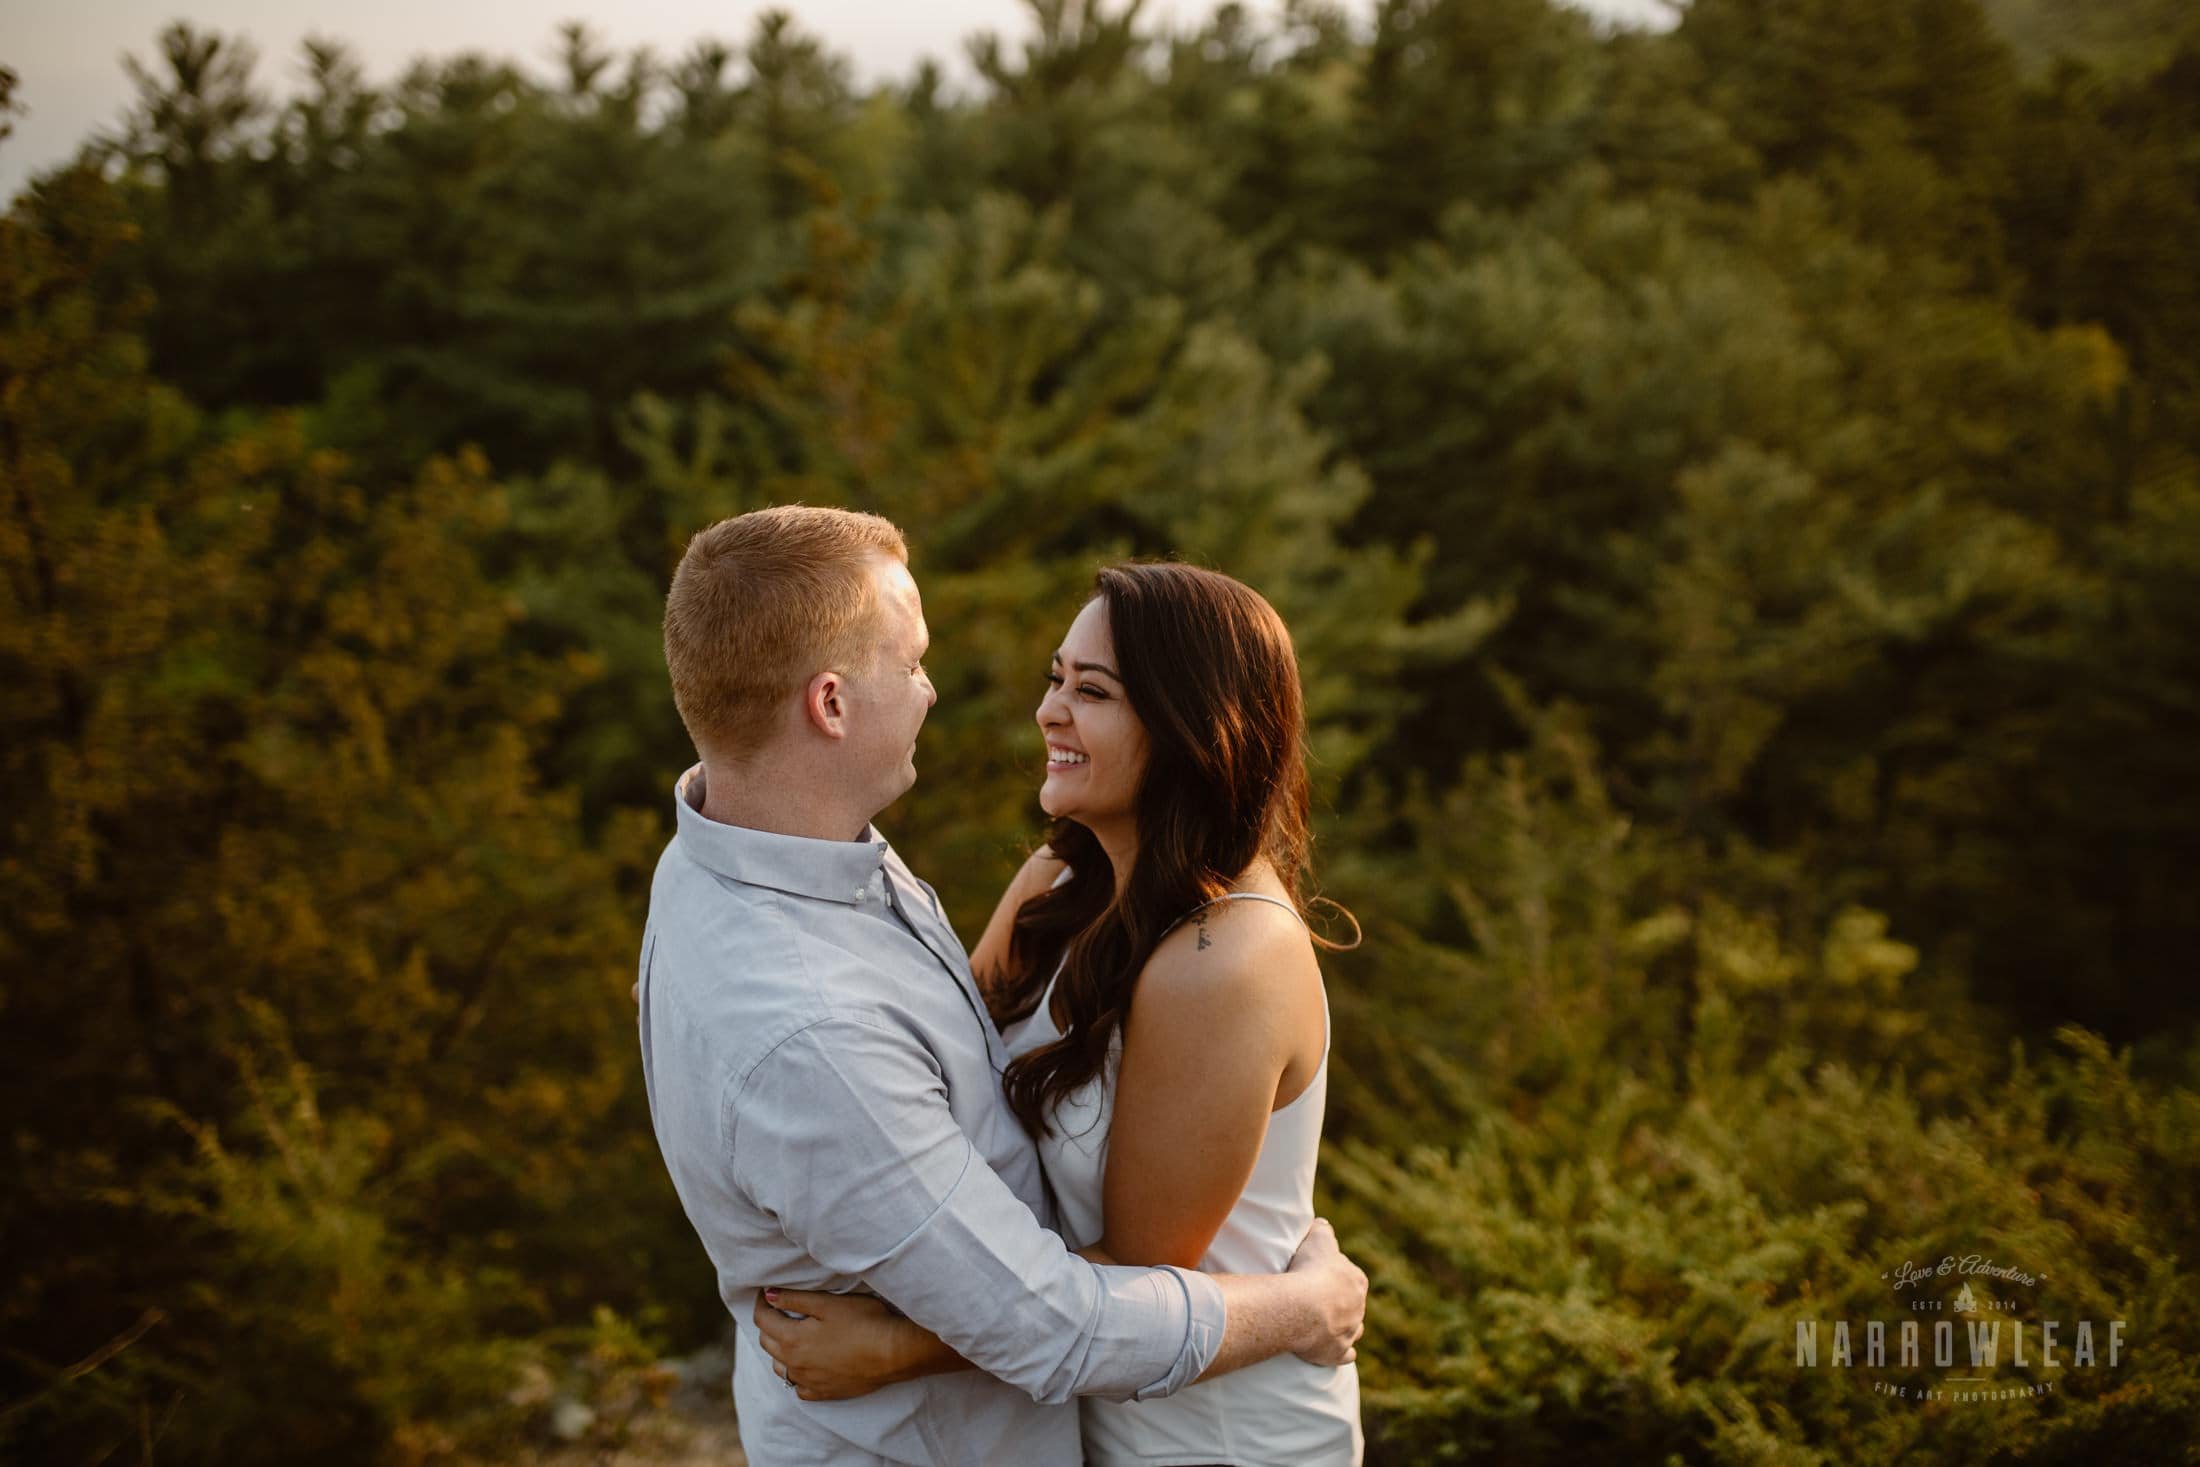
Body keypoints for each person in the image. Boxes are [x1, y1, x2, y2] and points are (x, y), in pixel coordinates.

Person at [639, 508, 1368, 1466]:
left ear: (1190, 728)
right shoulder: (1052, 893)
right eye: (1056, 680)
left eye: (1092, 690)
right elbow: (959, 1114)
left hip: (1202, 1433)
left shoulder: (1224, 963)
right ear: (829, 704)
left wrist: (900, 1347)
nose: (1048, 712)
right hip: (1072, 1401)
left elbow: (1130, 1281)